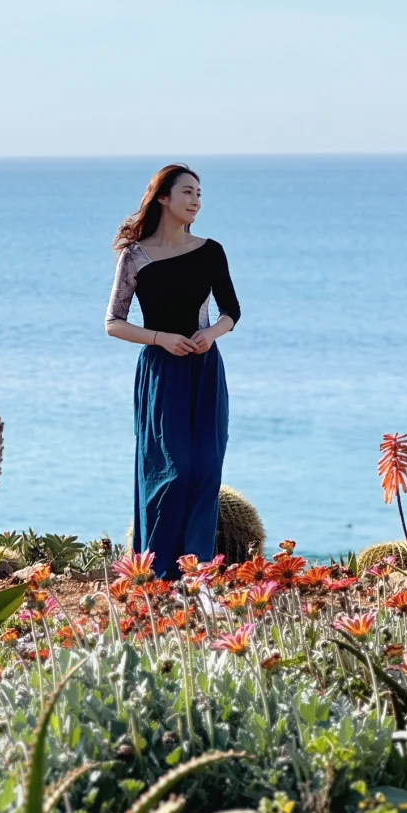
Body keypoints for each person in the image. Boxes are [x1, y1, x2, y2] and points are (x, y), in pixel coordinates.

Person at [105, 165, 240, 577]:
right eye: (187, 192)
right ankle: (156, 572)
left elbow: (231, 311)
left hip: (204, 370)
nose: (196, 200)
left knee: (205, 469)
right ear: (163, 197)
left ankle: (196, 575)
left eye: (199, 193)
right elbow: (114, 322)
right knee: (170, 469)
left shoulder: (211, 250)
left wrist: (211, 334)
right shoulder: (136, 256)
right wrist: (161, 338)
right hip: (162, 372)